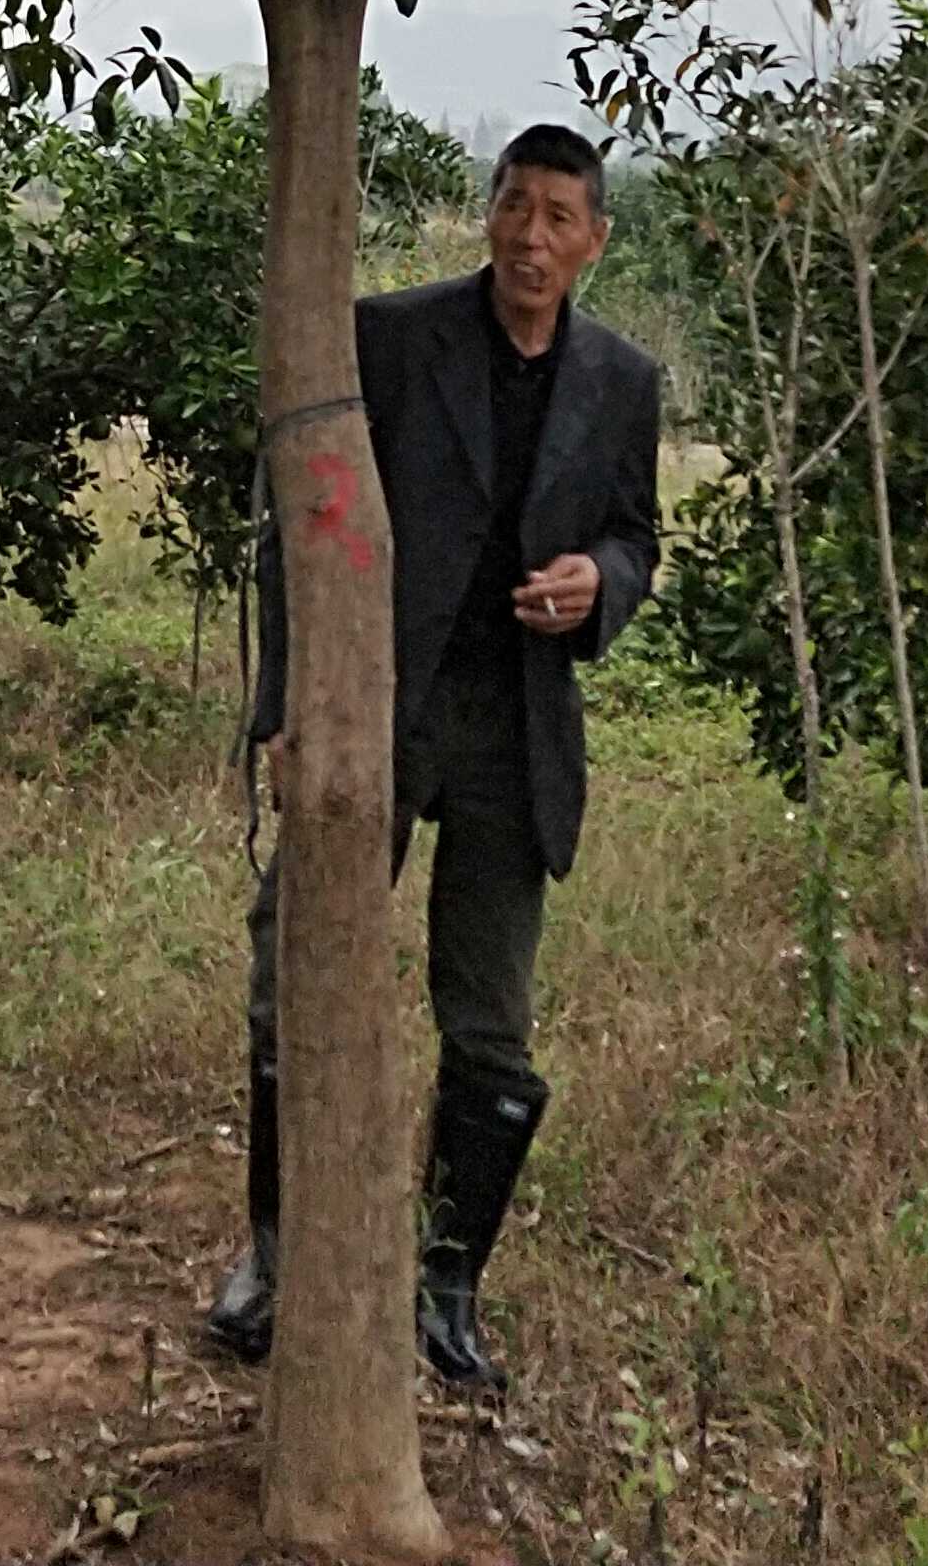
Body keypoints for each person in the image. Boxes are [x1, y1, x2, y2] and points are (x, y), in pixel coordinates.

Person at [210, 120, 661, 1394]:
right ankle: (278, 1257)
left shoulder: (622, 381)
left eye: (558, 217)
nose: (531, 236)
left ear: (594, 242)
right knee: (292, 971)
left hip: (515, 728)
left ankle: (446, 1285)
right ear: (488, 216)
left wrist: (601, 582)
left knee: (492, 1022)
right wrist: (290, 710)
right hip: (372, 707)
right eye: (514, 206)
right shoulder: (396, 338)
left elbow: (638, 535)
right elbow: (308, 520)